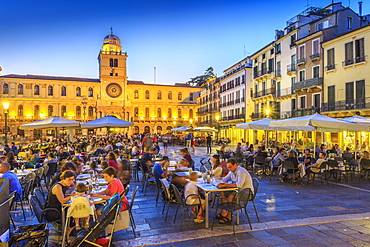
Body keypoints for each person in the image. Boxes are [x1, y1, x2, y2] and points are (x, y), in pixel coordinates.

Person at [215, 158, 254, 224]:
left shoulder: (241, 171)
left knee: (231, 196)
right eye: (228, 168)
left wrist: (226, 185)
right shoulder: (232, 171)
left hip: (246, 192)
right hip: (237, 191)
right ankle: (223, 213)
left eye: (230, 167)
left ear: (235, 165)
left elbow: (239, 185)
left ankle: (229, 216)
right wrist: (218, 180)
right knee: (222, 192)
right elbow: (225, 179)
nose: (229, 169)